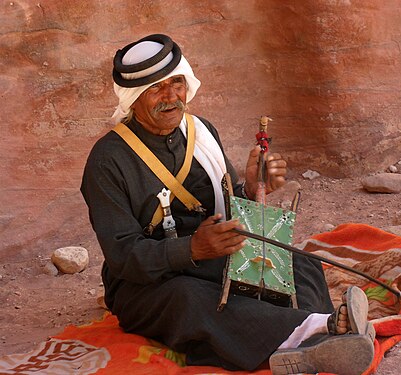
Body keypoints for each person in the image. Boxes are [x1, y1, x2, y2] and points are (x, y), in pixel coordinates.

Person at [81, 33, 374, 374]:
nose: (171, 97)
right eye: (155, 89)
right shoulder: (107, 161)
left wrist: (250, 189)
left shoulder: (201, 131)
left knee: (298, 264)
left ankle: (308, 341)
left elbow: (229, 203)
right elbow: (122, 257)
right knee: (189, 297)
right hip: (147, 282)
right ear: (133, 99)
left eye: (176, 83)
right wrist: (191, 249)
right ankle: (315, 334)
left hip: (215, 254)